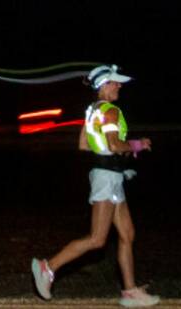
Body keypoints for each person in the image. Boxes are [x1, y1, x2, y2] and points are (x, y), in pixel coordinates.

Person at [30, 64, 160, 307]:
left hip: (109, 175)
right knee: (97, 239)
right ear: (104, 85)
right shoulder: (110, 111)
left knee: (127, 234)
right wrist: (137, 145)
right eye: (115, 82)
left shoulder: (92, 110)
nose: (119, 86)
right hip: (106, 178)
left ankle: (130, 292)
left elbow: (84, 144)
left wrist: (117, 165)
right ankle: (48, 267)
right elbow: (113, 145)